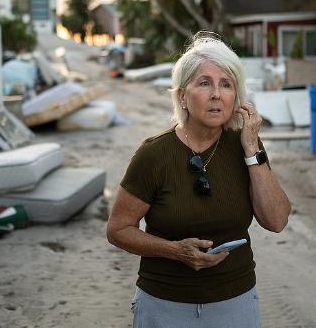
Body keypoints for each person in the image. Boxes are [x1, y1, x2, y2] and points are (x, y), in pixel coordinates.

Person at [106, 32, 292, 327]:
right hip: (165, 305)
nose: (216, 94)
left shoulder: (246, 147)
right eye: (204, 83)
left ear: (237, 98)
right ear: (182, 95)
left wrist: (250, 149)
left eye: (226, 84)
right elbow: (118, 230)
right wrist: (175, 251)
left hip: (236, 302)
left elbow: (276, 221)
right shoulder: (154, 154)